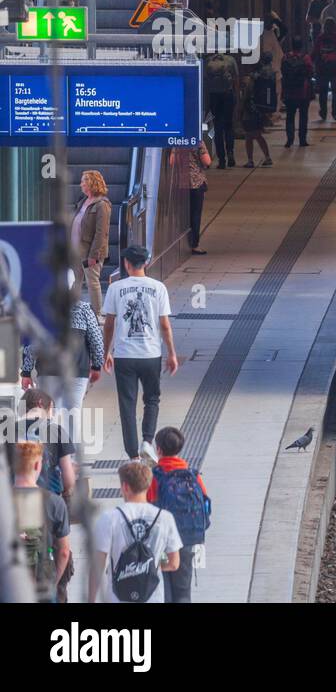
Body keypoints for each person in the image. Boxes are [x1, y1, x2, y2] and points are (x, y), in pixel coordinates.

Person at [102, 246, 178, 462]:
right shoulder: (159, 288)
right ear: (145, 263)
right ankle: (147, 441)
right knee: (152, 398)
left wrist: (107, 351)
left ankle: (133, 455)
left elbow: (109, 324)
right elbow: (164, 324)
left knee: (127, 403)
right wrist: (171, 353)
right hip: (150, 354)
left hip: (125, 355)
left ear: (126, 263)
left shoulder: (116, 288)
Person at [90, 461, 182, 604]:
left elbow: (98, 565)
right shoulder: (165, 517)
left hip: (117, 596)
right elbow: (174, 563)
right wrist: (151, 567)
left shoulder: (110, 518)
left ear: (125, 486)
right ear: (148, 485)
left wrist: (90, 599)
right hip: (153, 597)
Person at [21, 300, 103, 443]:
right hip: (77, 370)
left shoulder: (42, 306)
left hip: (48, 372)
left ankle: (49, 455)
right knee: (73, 413)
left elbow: (32, 345)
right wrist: (96, 366)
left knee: (47, 412)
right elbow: (96, 340)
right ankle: (71, 458)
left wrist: (26, 372)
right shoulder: (84, 308)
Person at [147, 426, 211, 603]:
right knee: (183, 592)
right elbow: (206, 505)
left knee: (164, 589)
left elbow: (148, 507)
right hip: (187, 539)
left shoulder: (155, 477)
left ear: (158, 450)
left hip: (162, 542)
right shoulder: (193, 475)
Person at [14, 442, 72, 603]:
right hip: (43, 582)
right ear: (38, 465)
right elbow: (64, 551)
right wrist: (53, 582)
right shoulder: (54, 502)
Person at [5, 388, 77, 498]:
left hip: (16, 499)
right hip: (49, 498)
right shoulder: (56, 430)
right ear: (40, 403)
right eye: (52, 409)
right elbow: (69, 481)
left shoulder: (7, 431)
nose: (52, 415)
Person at [72, 169, 111, 318]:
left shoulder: (102, 205)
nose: (81, 184)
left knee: (92, 283)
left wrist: (93, 255)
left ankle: (97, 314)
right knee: (76, 281)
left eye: (84, 181)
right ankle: (74, 311)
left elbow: (101, 233)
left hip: (90, 252)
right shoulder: (83, 201)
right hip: (76, 249)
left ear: (92, 183)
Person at [204, 49, 239, 169]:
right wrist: (237, 98)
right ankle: (230, 153)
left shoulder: (208, 61)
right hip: (227, 95)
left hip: (214, 97)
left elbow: (205, 81)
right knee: (229, 126)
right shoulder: (230, 60)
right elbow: (235, 79)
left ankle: (222, 159)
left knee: (217, 128)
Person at [237, 58, 275, 168]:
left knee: (251, 135)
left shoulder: (248, 80)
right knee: (256, 135)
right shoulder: (261, 78)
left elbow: (244, 97)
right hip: (259, 110)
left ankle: (252, 160)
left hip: (249, 111)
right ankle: (265, 157)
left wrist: (239, 110)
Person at [281, 39, 315, 147]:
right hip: (302, 92)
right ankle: (302, 140)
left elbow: (283, 71)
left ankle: (289, 140)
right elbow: (311, 72)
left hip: (289, 92)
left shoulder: (285, 57)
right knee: (303, 116)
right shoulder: (305, 58)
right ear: (301, 46)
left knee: (290, 116)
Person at [313, 18, 336, 122]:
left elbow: (315, 53)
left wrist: (314, 63)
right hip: (335, 68)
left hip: (322, 68)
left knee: (323, 92)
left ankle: (323, 112)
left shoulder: (320, 38)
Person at [187, 139, 211, 255]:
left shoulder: (175, 141)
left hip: (180, 182)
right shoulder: (197, 141)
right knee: (195, 214)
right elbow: (207, 161)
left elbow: (172, 161)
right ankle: (194, 244)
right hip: (196, 182)